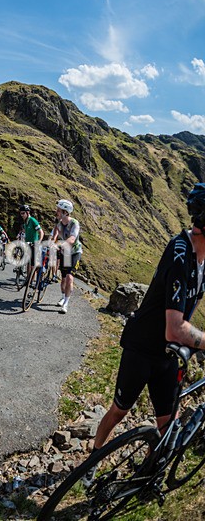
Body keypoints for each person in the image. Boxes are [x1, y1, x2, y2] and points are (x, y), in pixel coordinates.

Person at [82, 183, 205, 486]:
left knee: (167, 424)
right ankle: (92, 459)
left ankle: (148, 475)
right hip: (142, 347)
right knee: (119, 411)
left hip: (168, 354)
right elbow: (175, 327)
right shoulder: (180, 254)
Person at [52, 199, 82, 314]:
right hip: (65, 253)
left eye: (58, 210)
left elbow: (72, 238)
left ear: (65, 212)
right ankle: (63, 296)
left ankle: (66, 303)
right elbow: (55, 234)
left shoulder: (74, 223)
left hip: (74, 252)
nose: (56, 212)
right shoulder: (59, 223)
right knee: (63, 278)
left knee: (69, 277)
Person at [18, 204, 44, 278]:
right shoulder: (25, 222)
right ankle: (28, 279)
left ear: (28, 212)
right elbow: (25, 232)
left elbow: (41, 232)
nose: (22, 215)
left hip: (34, 244)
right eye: (21, 213)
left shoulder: (32, 220)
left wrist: (39, 241)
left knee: (32, 264)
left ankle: (31, 279)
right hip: (28, 244)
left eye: (23, 213)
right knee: (28, 262)